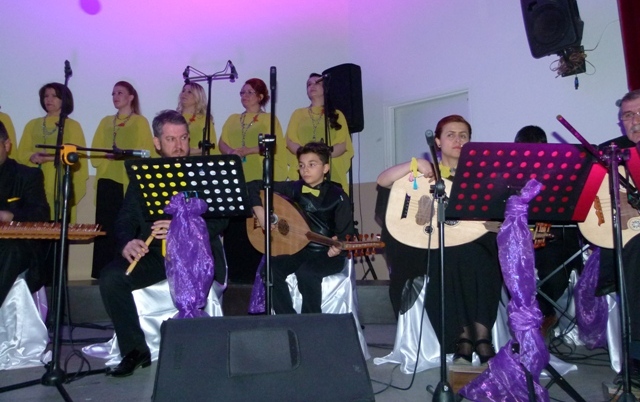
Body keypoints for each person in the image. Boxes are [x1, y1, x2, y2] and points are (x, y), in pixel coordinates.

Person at [99, 110, 228, 377]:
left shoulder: (203, 174)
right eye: (171, 139)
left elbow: (220, 221)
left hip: (195, 256)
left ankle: (197, 350)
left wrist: (181, 227)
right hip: (157, 255)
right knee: (111, 278)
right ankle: (135, 350)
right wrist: (127, 242)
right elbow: (125, 218)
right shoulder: (144, 175)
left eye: (184, 138)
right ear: (157, 142)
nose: (179, 145)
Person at [377, 114, 502, 364]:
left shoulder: (480, 177)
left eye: (463, 136)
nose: (458, 140)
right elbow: (383, 180)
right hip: (431, 245)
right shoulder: (426, 173)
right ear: (437, 141)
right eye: (450, 135)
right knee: (450, 254)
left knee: (479, 257)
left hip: (476, 245)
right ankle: (463, 337)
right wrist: (414, 164)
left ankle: (481, 336)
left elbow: (491, 219)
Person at [248, 141, 354, 314]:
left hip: (326, 253)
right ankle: (287, 318)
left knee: (307, 273)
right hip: (297, 249)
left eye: (312, 165)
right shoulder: (294, 188)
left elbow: (347, 235)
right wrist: (260, 211)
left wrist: (339, 247)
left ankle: (310, 321)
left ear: (325, 168)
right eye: (302, 165)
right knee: (270, 269)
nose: (305, 170)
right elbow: (252, 185)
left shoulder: (338, 196)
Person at [515, 125, 583, 338]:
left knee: (558, 258)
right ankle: (542, 314)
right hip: (527, 233)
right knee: (541, 258)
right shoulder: (512, 175)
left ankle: (546, 314)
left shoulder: (559, 172)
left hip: (556, 231)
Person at [219, 78, 289, 283]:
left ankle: (256, 278)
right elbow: (221, 142)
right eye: (242, 92)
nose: (244, 96)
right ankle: (235, 277)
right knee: (236, 226)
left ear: (260, 96)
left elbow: (273, 145)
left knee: (256, 224)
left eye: (249, 92)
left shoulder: (269, 119)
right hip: (235, 178)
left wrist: (248, 150)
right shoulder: (233, 118)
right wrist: (231, 152)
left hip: (257, 177)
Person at [90, 81, 154, 278]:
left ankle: (123, 271)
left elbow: (146, 152)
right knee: (105, 227)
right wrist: (106, 155)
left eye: (120, 93)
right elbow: (95, 152)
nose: (115, 97)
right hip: (107, 180)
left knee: (125, 226)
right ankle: (101, 272)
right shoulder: (105, 121)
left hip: (128, 182)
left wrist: (123, 155)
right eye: (113, 93)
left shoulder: (140, 122)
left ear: (131, 97)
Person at [597, 89, 640, 374]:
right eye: (628, 115)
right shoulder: (610, 153)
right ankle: (636, 357)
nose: (635, 121)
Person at [17, 82, 88, 223]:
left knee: (57, 223)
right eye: (46, 96)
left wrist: (48, 158)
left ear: (64, 99)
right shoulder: (32, 124)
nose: (49, 99)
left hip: (59, 178)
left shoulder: (73, 125)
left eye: (54, 96)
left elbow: (76, 156)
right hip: (34, 182)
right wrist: (32, 156)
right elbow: (21, 153)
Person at [0, 121, 50, 307]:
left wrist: (11, 215)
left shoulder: (27, 175)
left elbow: (41, 213)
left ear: (7, 145)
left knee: (11, 249)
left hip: (16, 244)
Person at [285, 73, 354, 194]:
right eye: (309, 84)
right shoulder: (298, 114)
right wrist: (309, 158)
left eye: (317, 83)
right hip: (304, 172)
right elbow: (290, 141)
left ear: (325, 88)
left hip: (330, 170)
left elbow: (342, 144)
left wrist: (320, 157)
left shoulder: (337, 114)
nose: (312, 86)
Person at [176, 82, 220, 156]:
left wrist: (183, 151)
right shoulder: (173, 118)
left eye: (189, 92)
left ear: (198, 97)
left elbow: (210, 148)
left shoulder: (204, 120)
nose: (184, 94)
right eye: (183, 91)